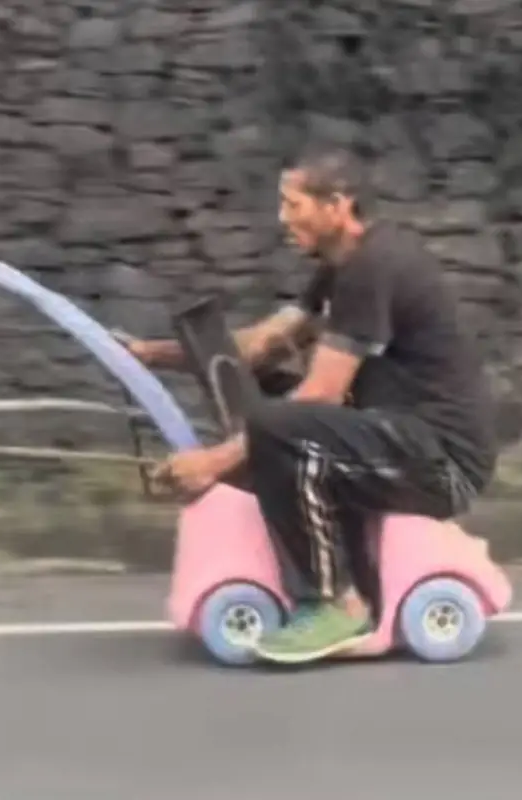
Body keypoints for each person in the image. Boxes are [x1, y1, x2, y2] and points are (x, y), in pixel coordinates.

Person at [120, 147, 498, 664]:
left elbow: (321, 392)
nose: (282, 218)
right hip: (397, 438)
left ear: (337, 205)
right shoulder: (339, 268)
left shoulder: (375, 268)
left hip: (442, 461)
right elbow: (258, 345)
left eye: (292, 204)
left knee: (278, 426)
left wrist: (214, 462)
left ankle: (335, 605)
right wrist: (149, 355)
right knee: (270, 399)